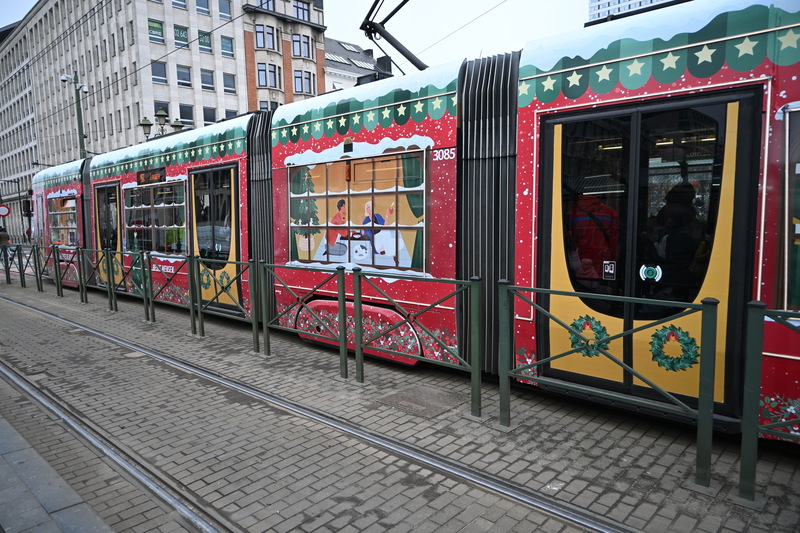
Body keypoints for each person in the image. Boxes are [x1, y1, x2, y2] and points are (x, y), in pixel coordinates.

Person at [568, 194, 618, 281]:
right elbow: (614, 241)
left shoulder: (573, 212)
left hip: (580, 263)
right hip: (602, 262)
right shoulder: (610, 212)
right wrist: (613, 261)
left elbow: (570, 239)